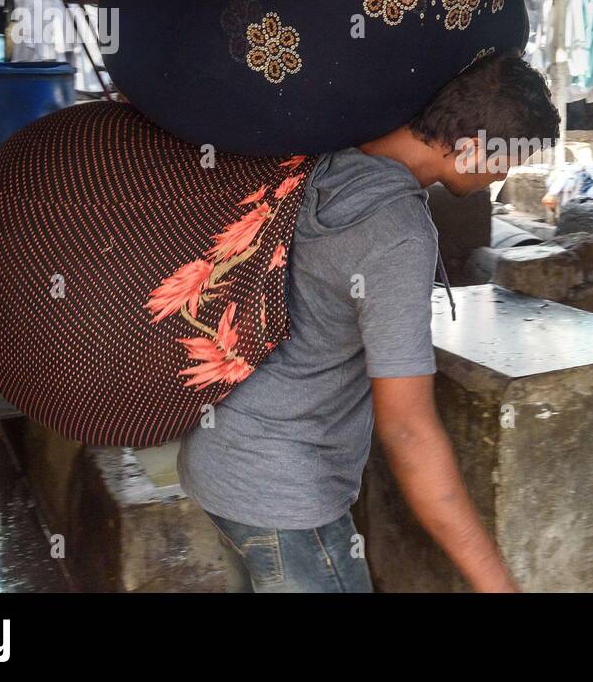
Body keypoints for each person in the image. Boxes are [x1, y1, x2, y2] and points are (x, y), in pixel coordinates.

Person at [177, 53, 559, 592]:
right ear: (470, 148)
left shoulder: (328, 155)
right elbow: (406, 428)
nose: (505, 176)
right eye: (507, 160)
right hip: (283, 492)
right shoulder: (397, 234)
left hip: (220, 452)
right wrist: (497, 584)